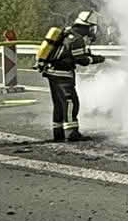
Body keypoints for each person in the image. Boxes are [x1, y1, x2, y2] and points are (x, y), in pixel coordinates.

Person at [40, 10, 103, 142]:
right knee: (70, 102)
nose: (92, 31)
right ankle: (71, 133)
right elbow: (82, 60)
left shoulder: (67, 33)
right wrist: (98, 59)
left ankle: (58, 133)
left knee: (58, 104)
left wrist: (89, 55)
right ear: (87, 26)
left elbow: (73, 53)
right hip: (63, 75)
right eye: (91, 27)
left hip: (52, 72)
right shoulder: (77, 39)